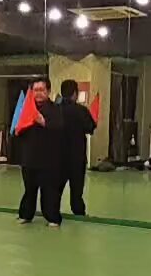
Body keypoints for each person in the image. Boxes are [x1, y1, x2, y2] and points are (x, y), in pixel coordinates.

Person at [17, 79, 64, 227]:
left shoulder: (55, 109)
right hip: (29, 157)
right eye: (35, 90)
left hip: (48, 158)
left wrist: (43, 122)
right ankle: (26, 215)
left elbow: (59, 128)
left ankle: (52, 217)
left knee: (49, 190)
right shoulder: (27, 108)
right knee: (29, 189)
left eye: (41, 90)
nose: (38, 93)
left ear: (48, 91)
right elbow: (19, 130)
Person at [57, 80, 96, 216]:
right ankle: (78, 212)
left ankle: (52, 212)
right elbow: (90, 128)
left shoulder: (55, 110)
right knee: (77, 190)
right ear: (75, 93)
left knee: (56, 188)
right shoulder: (81, 111)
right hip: (77, 157)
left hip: (58, 157)